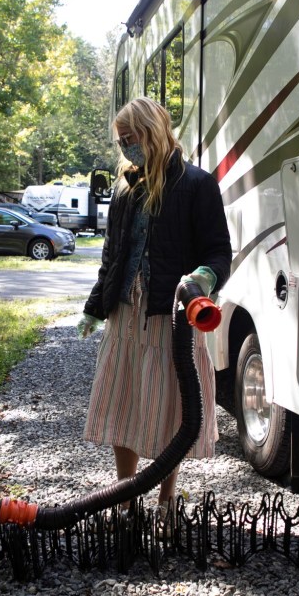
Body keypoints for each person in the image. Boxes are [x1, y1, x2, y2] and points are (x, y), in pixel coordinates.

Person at [78, 97, 231, 520]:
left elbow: (219, 252)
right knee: (123, 401)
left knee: (170, 407)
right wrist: (95, 307)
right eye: (122, 141)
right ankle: (126, 496)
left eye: (132, 139)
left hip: (172, 316)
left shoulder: (197, 185)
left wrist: (203, 278)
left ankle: (166, 499)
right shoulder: (126, 188)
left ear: (154, 132)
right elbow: (111, 257)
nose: (127, 148)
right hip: (127, 313)